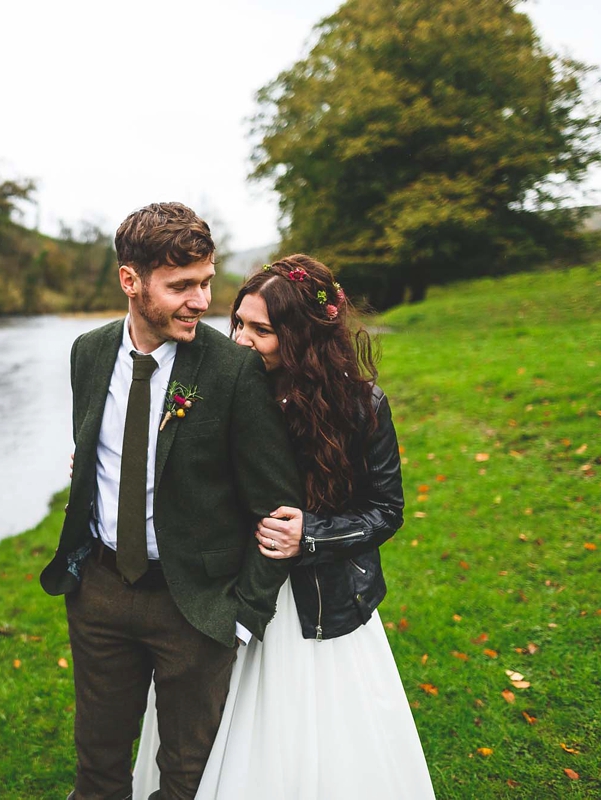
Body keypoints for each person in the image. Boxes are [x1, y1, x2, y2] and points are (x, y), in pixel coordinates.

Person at [131, 254, 435, 799]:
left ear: (302, 339)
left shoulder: (360, 406)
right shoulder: (215, 387)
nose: (242, 340)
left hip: (317, 604)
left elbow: (386, 510)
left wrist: (310, 535)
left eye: (262, 331)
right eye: (239, 324)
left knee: (309, 741)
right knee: (196, 736)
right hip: (223, 589)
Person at [40, 203, 304, 800]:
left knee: (185, 780)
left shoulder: (234, 371)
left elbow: (277, 504)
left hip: (197, 607)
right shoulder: (87, 352)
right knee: (98, 771)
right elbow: (97, 452)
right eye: (181, 286)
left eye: (207, 281)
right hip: (101, 594)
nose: (201, 301)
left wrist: (241, 618)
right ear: (130, 281)